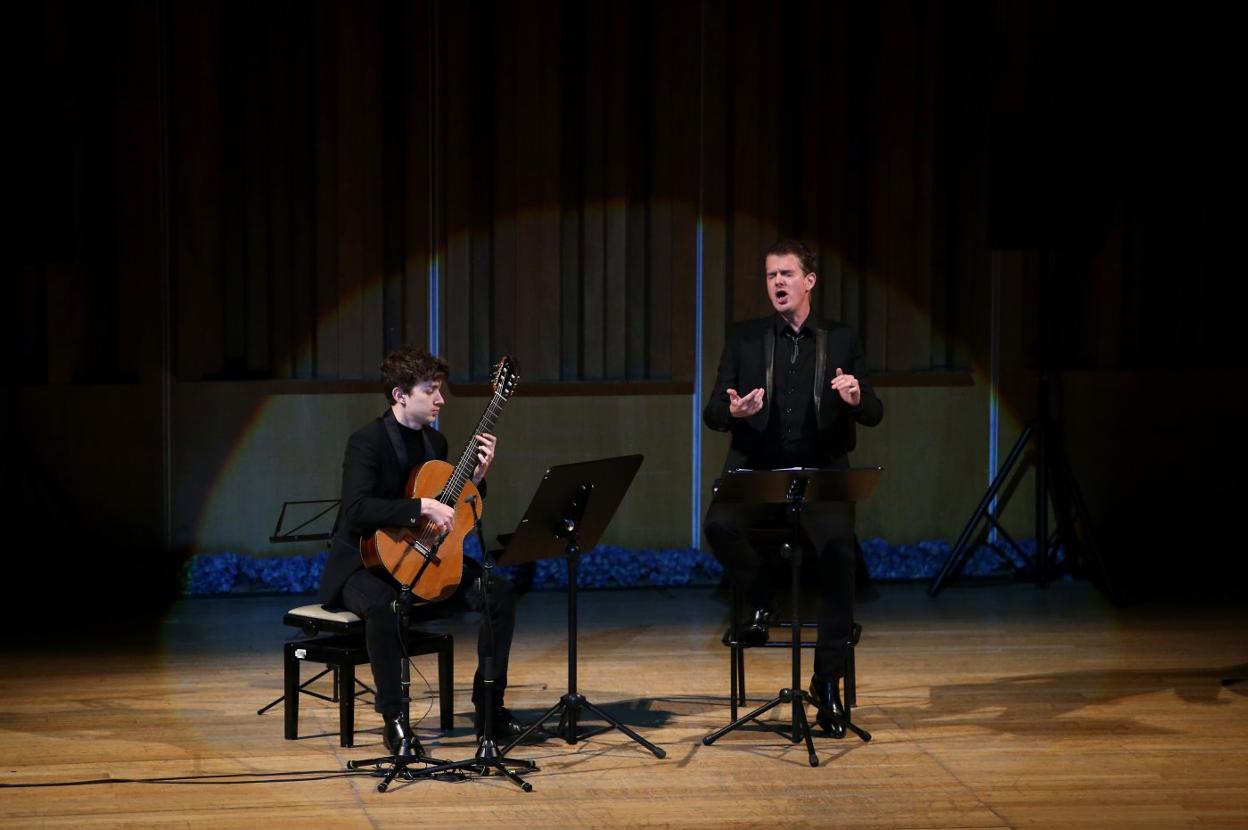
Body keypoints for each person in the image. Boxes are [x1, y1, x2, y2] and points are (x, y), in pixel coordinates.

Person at [317, 345, 548, 756]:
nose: (441, 399)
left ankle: (490, 709)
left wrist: (477, 478)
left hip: (425, 561)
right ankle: (396, 720)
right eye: (430, 390)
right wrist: (418, 507)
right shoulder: (366, 443)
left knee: (499, 593)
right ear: (400, 395)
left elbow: (455, 511)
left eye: (440, 389)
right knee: (385, 605)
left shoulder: (436, 443)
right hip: (364, 565)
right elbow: (355, 510)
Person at [703, 239, 883, 737]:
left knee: (840, 554)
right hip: (759, 472)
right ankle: (761, 594)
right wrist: (734, 411)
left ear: (809, 281)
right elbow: (713, 412)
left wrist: (854, 397)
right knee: (718, 525)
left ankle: (825, 682)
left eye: (786, 274)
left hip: (820, 474)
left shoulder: (841, 340)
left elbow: (874, 410)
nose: (777, 283)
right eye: (769, 276)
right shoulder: (744, 339)